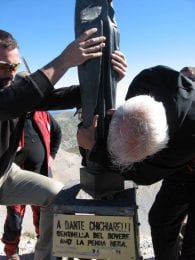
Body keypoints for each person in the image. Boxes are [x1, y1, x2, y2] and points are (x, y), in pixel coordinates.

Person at [0, 28, 126, 260]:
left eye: (14, 67)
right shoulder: (11, 94)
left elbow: (54, 98)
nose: (10, 74)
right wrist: (66, 60)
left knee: (56, 196)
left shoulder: (13, 85)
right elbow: (13, 102)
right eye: (3, 67)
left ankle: (45, 257)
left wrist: (107, 81)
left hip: (6, 174)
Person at [77, 65, 195, 260]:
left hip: (187, 160)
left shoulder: (188, 135)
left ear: (164, 145)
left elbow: (144, 174)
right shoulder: (145, 82)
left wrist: (96, 149)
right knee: (161, 220)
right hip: (181, 172)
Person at [2, 105, 62, 259]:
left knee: (43, 217)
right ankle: (12, 252)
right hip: (16, 177)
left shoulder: (43, 113)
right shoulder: (12, 114)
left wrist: (52, 156)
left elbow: (57, 132)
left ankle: (41, 247)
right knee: (15, 218)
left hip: (41, 173)